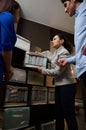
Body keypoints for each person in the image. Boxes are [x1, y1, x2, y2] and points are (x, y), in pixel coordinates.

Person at [37, 33, 78, 130]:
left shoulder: (64, 52)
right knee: (58, 113)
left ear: (61, 41)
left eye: (55, 39)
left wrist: (42, 70)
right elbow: (49, 55)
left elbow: (57, 72)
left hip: (67, 86)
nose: (52, 41)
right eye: (52, 39)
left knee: (68, 114)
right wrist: (39, 54)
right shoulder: (56, 53)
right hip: (60, 86)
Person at [58, 0, 86, 121]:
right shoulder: (78, 16)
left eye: (65, 5)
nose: (65, 10)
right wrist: (68, 60)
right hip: (83, 72)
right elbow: (81, 54)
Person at [0, 0, 20, 105]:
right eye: (19, 13)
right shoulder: (8, 17)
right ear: (14, 9)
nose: (19, 16)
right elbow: (6, 49)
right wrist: (8, 70)